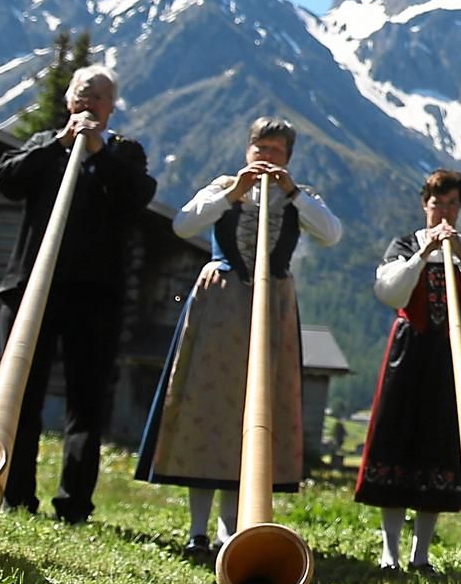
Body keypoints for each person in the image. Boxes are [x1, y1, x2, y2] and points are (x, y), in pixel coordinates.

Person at [134, 116, 342, 553]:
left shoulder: (297, 197)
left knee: (253, 413)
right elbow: (184, 225)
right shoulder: (223, 186)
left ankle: (234, 530)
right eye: (260, 149)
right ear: (247, 150)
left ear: (288, 158)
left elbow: (331, 234)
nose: (266, 158)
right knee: (204, 406)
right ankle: (197, 531)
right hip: (221, 302)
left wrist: (292, 192)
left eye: (276, 152)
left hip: (273, 305)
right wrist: (234, 193)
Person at [0, 64, 157, 524]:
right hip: (29, 293)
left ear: (111, 107)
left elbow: (136, 196)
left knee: (87, 404)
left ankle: (74, 505)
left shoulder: (124, 153)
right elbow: (7, 180)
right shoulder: (44, 145)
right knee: (21, 396)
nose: (88, 102)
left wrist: (97, 151)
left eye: (98, 96)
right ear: (69, 102)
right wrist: (63, 143)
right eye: (82, 95)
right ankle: (15, 494)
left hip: (95, 298)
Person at [352, 168, 461, 571]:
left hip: (451, 353)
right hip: (410, 349)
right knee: (396, 438)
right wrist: (422, 255)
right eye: (438, 204)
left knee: (440, 444)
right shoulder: (403, 245)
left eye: (452, 205)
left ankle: (420, 555)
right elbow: (390, 291)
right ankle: (390, 552)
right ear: (425, 204)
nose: (444, 213)